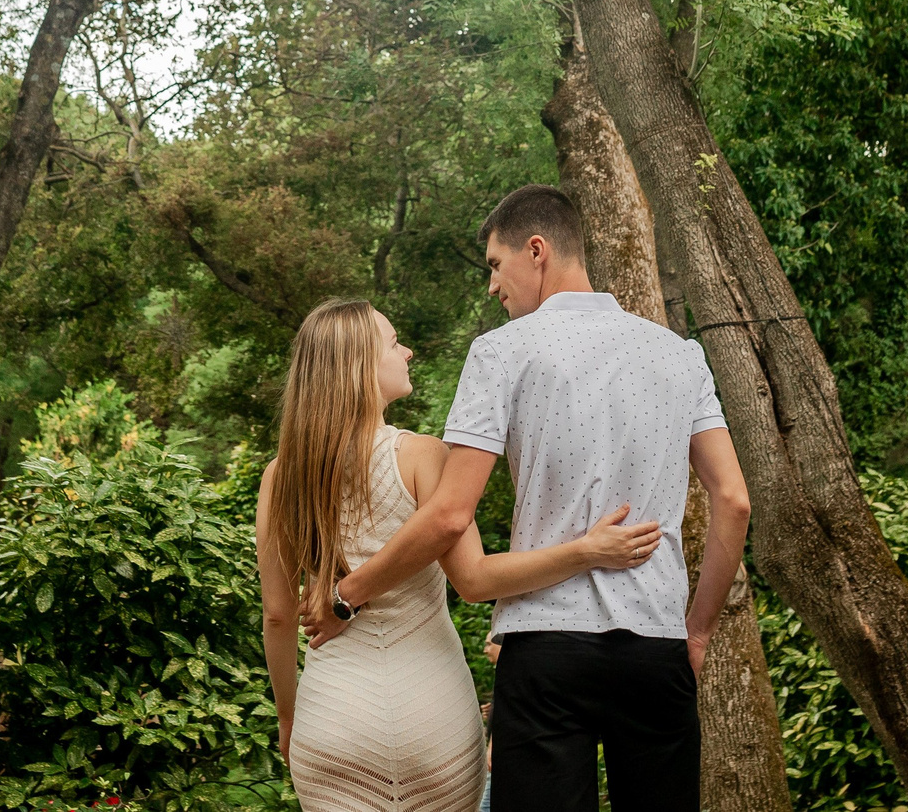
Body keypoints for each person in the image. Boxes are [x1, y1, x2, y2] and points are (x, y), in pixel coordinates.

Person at [305, 184, 750, 812]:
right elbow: (733, 500)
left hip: (545, 653)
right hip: (655, 647)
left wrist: (345, 596)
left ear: (535, 250)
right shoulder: (681, 357)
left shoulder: (500, 353)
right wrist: (696, 633)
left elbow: (451, 514)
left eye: (494, 264)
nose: (492, 285)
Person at [258, 298, 666, 812]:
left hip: (332, 719)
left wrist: (290, 720)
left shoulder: (280, 476)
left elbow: (277, 616)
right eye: (392, 342)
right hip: (433, 714)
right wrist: (586, 551)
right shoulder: (423, 456)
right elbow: (478, 581)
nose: (406, 352)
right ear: (360, 364)